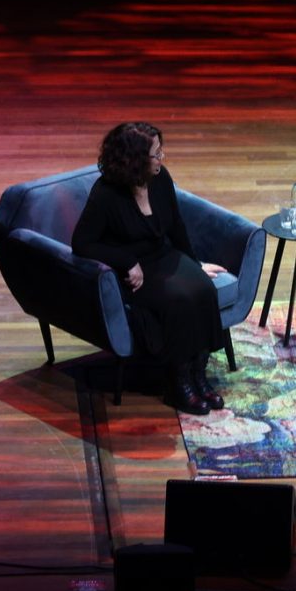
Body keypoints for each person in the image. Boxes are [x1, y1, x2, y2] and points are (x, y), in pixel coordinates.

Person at [69, 122, 231, 415]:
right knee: (179, 301)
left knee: (204, 289)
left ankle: (198, 374)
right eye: (156, 154)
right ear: (136, 159)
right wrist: (126, 262)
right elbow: (82, 243)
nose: (162, 158)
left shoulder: (160, 179)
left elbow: (177, 227)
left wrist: (195, 263)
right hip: (133, 270)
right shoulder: (106, 194)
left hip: (162, 256)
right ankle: (177, 384)